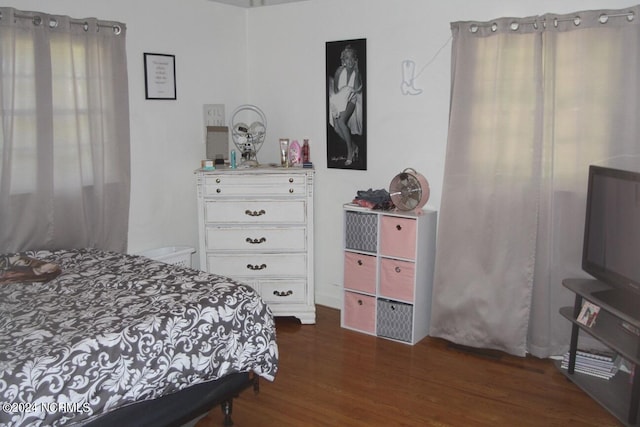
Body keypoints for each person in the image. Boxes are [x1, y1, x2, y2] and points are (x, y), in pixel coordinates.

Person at [329, 45, 363, 166]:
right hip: (340, 99)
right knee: (337, 128)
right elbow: (336, 90)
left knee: (342, 121)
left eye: (351, 58)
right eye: (346, 58)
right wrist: (339, 105)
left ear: (355, 60)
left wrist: (357, 70)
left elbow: (358, 90)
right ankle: (354, 146)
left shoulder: (356, 73)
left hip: (352, 99)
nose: (349, 61)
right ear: (343, 60)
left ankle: (349, 152)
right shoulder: (339, 71)